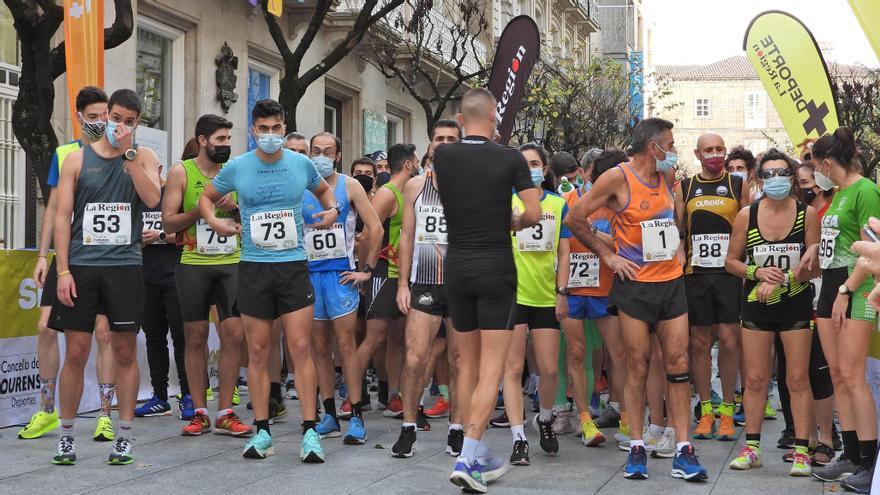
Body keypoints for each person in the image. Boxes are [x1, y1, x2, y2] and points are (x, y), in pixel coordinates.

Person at [565, 118, 708, 481]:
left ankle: (683, 449)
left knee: (677, 362)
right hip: (634, 285)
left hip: (671, 284)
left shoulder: (667, 177)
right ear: (653, 147)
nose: (674, 151)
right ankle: (638, 446)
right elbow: (576, 218)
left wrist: (677, 249)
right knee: (638, 364)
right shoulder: (617, 177)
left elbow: (668, 224)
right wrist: (608, 256)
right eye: (671, 145)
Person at [198, 99, 339, 462]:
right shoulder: (238, 167)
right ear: (253, 130)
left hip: (292, 266)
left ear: (283, 125)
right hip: (254, 268)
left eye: (278, 128)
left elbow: (325, 192)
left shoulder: (301, 163)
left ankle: (310, 431)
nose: (272, 136)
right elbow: (206, 199)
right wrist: (215, 222)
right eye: (265, 129)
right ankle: (262, 431)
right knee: (258, 353)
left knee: (300, 349)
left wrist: (331, 211)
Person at [433, 88, 541, 493]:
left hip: (457, 265)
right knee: (493, 368)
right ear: (494, 116)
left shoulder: (444, 156)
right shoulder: (510, 157)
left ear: (461, 119)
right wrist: (510, 220)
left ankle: (474, 450)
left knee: (467, 363)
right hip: (496, 265)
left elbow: (450, 197)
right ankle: (467, 457)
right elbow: (533, 212)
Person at [50, 88, 162, 465]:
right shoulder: (76, 160)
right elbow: (62, 220)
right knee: (77, 352)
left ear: (137, 124)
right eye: (115, 118)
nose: (119, 126)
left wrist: (129, 156)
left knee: (125, 351)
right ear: (104, 116)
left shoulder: (142, 156)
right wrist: (62, 270)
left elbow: (151, 199)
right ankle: (66, 436)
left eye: (129, 121)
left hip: (125, 268)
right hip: (83, 266)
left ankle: (125, 436)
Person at [21, 86, 118, 443]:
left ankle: (106, 414)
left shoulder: (118, 153)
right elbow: (54, 210)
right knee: (45, 327)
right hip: (69, 255)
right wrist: (43, 257)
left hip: (107, 258)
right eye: (93, 116)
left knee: (104, 332)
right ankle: (47, 409)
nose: (101, 122)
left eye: (105, 115)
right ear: (78, 117)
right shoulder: (64, 154)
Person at [724, 149, 820, 477]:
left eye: (782, 173)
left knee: (796, 378)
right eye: (768, 174)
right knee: (754, 378)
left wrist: (784, 278)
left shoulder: (806, 215)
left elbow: (814, 265)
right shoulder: (746, 215)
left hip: (795, 304)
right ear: (759, 178)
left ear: (792, 178)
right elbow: (731, 260)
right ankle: (751, 448)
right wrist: (756, 273)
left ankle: (802, 450)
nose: (775, 180)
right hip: (756, 305)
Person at [161, 114, 251, 436]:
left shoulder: (236, 172)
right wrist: (203, 209)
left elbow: (252, 218)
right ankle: (200, 411)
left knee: (234, 335)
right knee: (195, 337)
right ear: (202, 140)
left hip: (232, 262)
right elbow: (168, 223)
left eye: (228, 139)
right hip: (194, 264)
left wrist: (235, 209)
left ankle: (226, 410)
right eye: (220, 140)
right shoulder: (181, 172)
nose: (226, 146)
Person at [810, 127, 880, 493]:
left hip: (856, 288)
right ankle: (851, 453)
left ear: (824, 162)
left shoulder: (866, 190)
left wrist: (846, 289)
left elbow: (874, 246)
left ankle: (870, 459)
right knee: (837, 373)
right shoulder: (836, 194)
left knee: (854, 376)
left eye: (813, 165)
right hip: (831, 287)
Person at [497, 144, 573, 465]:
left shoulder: (558, 204)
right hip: (511, 294)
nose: (530, 168)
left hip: (545, 296)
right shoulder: (504, 201)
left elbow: (564, 252)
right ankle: (518, 438)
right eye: (524, 164)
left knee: (550, 368)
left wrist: (562, 292)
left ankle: (544, 418)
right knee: (513, 369)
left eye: (535, 163)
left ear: (545, 168)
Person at [391, 120, 462, 459]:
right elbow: (406, 236)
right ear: (430, 144)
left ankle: (457, 429)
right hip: (425, 280)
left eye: (452, 139)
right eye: (439, 138)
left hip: (462, 282)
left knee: (459, 360)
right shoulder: (415, 185)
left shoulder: (472, 184)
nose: (445, 143)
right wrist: (402, 283)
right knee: (415, 357)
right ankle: (408, 427)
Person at [306, 132, 383, 445]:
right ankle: (328, 415)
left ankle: (356, 416)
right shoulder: (300, 184)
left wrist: (366, 271)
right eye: (316, 150)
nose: (321, 155)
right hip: (309, 276)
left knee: (346, 344)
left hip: (340, 276)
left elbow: (375, 227)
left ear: (337, 155)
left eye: (328, 151)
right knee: (319, 348)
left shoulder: (349, 185)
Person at [675, 133, 748, 442]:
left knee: (730, 342)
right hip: (696, 274)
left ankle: (728, 410)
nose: (715, 154)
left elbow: (748, 226)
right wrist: (678, 261)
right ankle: (706, 409)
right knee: (700, 344)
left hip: (729, 274)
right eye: (709, 150)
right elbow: (679, 230)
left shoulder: (738, 185)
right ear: (697, 153)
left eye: (720, 149)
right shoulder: (685, 187)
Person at [560, 149, 633, 450]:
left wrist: (592, 232)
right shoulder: (569, 202)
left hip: (605, 290)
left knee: (619, 355)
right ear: (590, 174)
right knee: (576, 354)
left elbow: (622, 244)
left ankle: (627, 418)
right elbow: (559, 244)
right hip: (574, 290)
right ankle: (585, 419)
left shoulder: (617, 207)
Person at [356, 144, 416, 422]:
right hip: (383, 272)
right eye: (414, 160)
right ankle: (351, 398)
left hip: (406, 275)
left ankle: (395, 395)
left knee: (398, 340)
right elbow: (370, 232)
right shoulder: (387, 192)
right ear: (407, 164)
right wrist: (365, 270)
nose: (417, 164)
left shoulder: (410, 192)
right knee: (374, 338)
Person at [136, 163, 189, 417]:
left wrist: (159, 236)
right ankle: (159, 395)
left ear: (158, 169)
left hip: (175, 276)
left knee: (182, 338)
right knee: (153, 338)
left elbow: (186, 232)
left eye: (147, 169)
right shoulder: (136, 197)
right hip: (146, 278)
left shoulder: (174, 193)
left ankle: (188, 395)